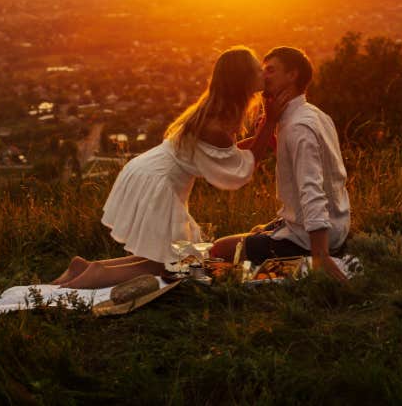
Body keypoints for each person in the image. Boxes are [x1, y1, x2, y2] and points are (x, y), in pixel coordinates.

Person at [51, 46, 277, 289]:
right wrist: (270, 123)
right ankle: (95, 276)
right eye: (257, 70)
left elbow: (225, 155)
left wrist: (263, 138)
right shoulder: (217, 124)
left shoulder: (215, 111)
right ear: (242, 80)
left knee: (164, 257)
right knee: (170, 264)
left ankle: (85, 267)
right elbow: (239, 172)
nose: (263, 74)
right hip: (158, 182)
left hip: (148, 171)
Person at [212, 46, 352, 282]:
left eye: (271, 70)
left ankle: (307, 265)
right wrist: (269, 124)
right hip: (333, 225)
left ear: (293, 75)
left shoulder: (298, 128)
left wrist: (320, 254)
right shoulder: (314, 114)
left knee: (219, 249)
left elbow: (312, 190)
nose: (263, 76)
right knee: (257, 230)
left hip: (309, 238)